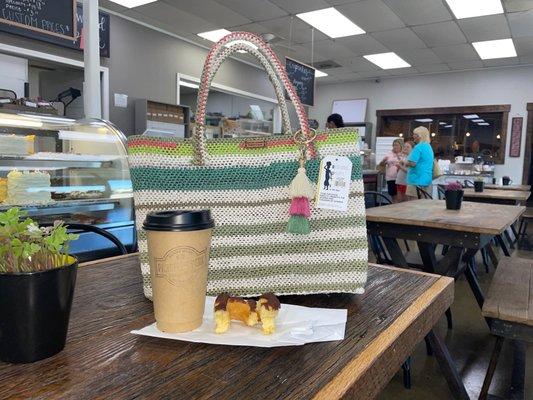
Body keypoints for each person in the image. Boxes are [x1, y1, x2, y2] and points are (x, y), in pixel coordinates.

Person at [406, 126, 434, 199]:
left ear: (419, 136)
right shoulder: (428, 146)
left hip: (416, 180)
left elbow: (412, 163)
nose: (413, 136)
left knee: (413, 206)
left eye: (415, 134)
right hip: (427, 179)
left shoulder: (418, 147)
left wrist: (405, 162)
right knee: (424, 206)